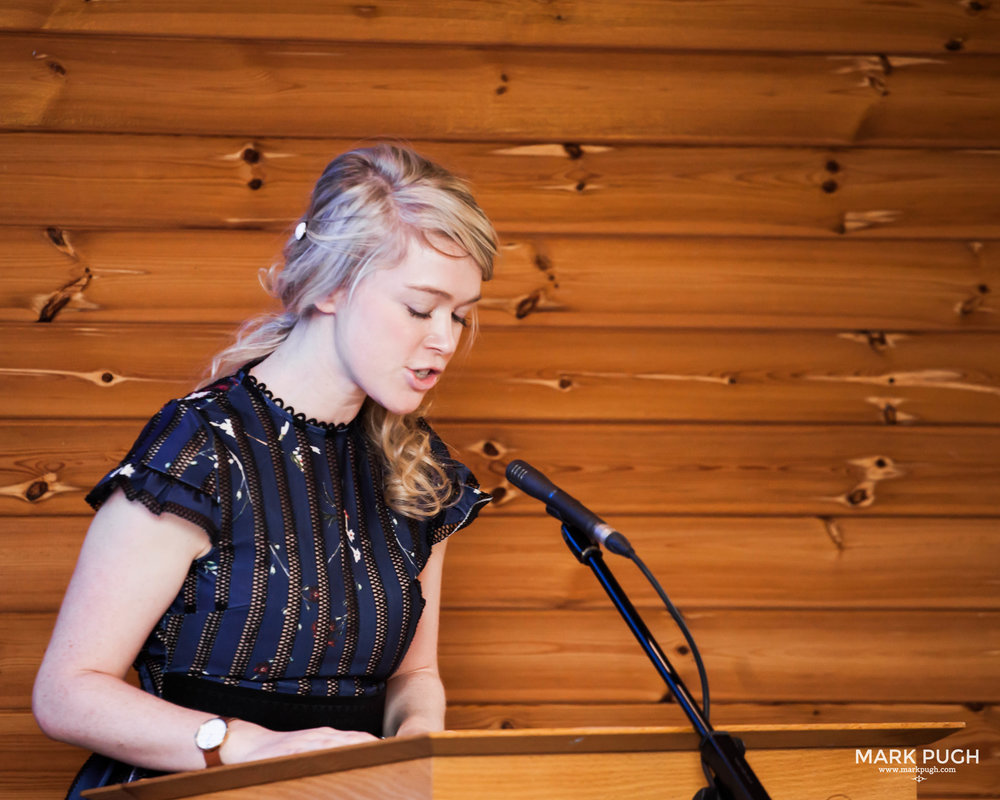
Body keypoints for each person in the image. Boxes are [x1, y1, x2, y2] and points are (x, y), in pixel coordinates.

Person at [32, 143, 497, 797]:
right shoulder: (199, 450)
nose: (445, 339)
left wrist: (417, 746)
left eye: (461, 314)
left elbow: (412, 676)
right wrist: (255, 748)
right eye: (421, 308)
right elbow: (66, 694)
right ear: (332, 285)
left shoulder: (419, 468)